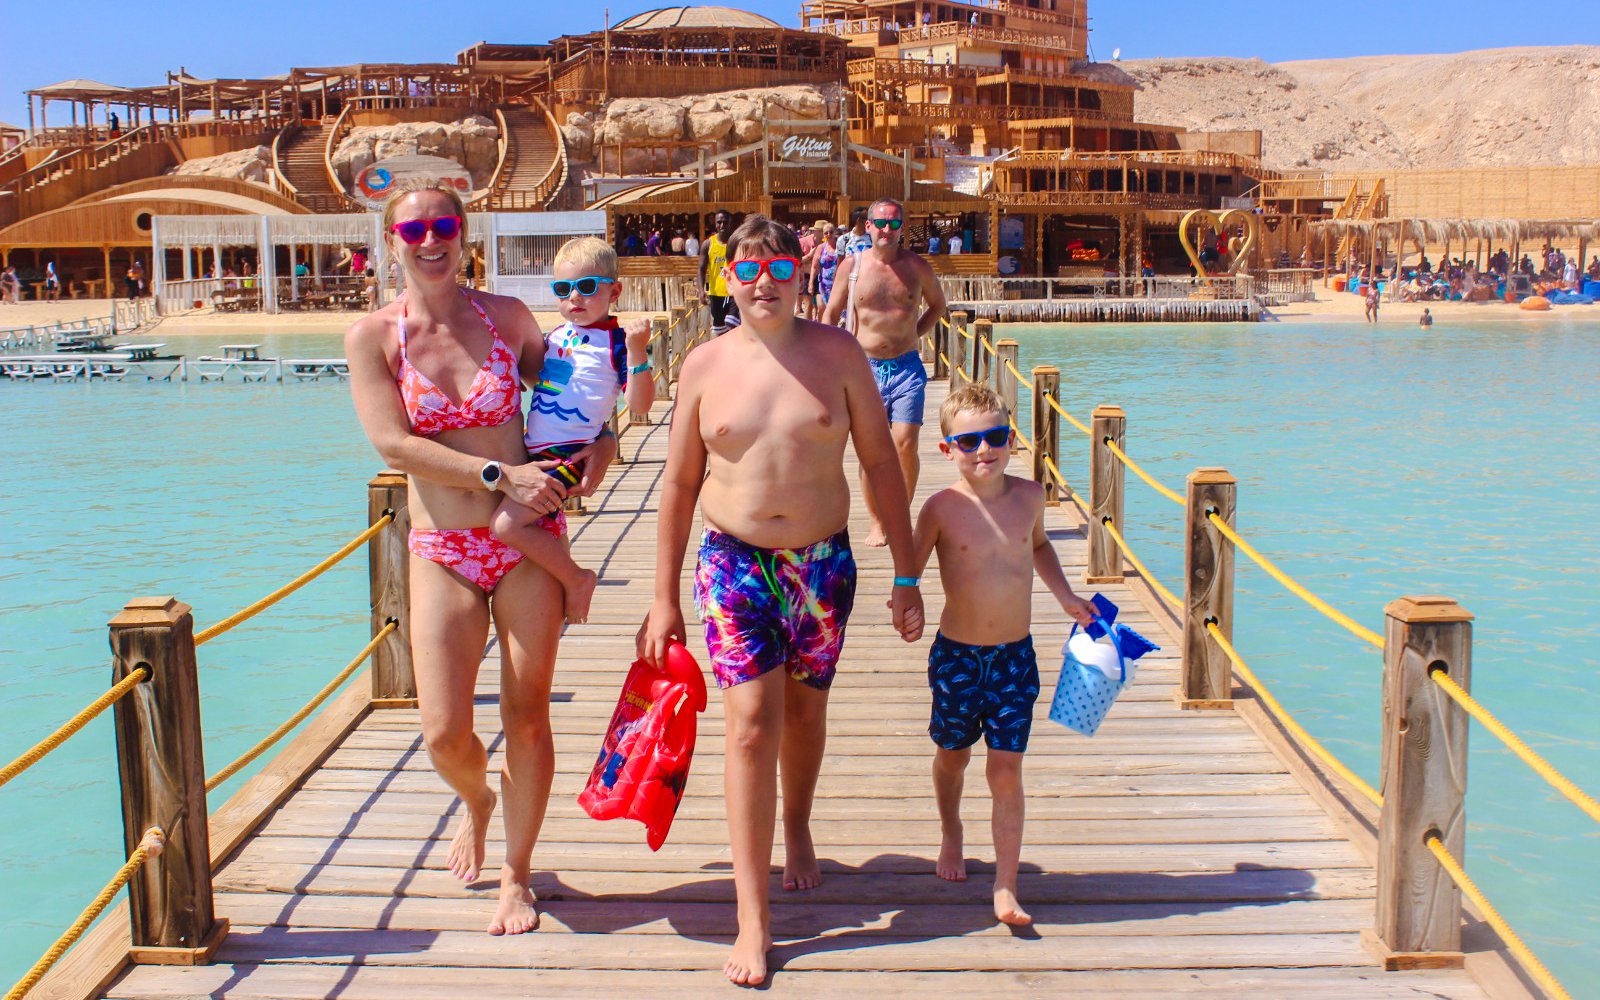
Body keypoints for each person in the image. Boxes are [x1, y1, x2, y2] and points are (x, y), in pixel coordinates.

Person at [637, 215, 924, 986]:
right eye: (748, 269)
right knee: (749, 726)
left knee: (805, 714)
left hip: (823, 567)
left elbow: (878, 464)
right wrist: (662, 597)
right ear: (728, 276)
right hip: (732, 566)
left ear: (804, 273)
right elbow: (677, 485)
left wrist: (904, 572)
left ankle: (796, 824)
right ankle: (752, 915)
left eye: (779, 268)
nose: (763, 282)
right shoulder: (701, 364)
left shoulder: (838, 357)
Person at [345, 183, 618, 937]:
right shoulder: (373, 338)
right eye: (413, 228)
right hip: (442, 548)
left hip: (525, 545)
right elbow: (394, 445)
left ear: (464, 233)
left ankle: (517, 873)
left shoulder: (508, 319)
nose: (429, 240)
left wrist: (604, 439)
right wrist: (497, 475)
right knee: (443, 733)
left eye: (443, 226)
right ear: (391, 239)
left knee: (528, 720)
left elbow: (570, 394)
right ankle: (477, 800)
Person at [910, 383, 1095, 926]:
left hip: (1015, 658)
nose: (983, 450)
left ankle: (1006, 885)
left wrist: (1065, 596)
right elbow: (911, 568)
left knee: (1006, 769)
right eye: (969, 441)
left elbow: (1037, 545)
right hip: (957, 659)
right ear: (947, 449)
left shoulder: (1031, 497)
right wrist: (905, 599)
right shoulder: (941, 509)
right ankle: (951, 832)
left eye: (995, 437)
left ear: (1012, 439)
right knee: (953, 755)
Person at [490, 237, 654, 624]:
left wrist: (638, 351)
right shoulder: (555, 338)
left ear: (614, 291)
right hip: (535, 453)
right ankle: (563, 597)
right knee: (541, 525)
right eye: (563, 289)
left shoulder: (617, 343)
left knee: (506, 525)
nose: (574, 298)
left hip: (570, 454)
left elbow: (642, 406)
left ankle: (576, 578)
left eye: (587, 287)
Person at [821, 197, 948, 548]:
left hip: (907, 367)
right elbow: (830, 314)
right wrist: (830, 360)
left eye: (894, 223)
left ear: (902, 228)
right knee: (871, 451)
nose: (886, 230)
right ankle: (877, 521)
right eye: (880, 223)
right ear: (869, 225)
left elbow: (938, 306)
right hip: (864, 370)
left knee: (905, 444)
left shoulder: (917, 267)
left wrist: (914, 335)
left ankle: (898, 515)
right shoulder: (853, 266)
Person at [699, 210, 739, 334]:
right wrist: (701, 290)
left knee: (731, 325)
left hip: (734, 293)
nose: (722, 225)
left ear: (730, 223)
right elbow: (701, 268)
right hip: (716, 294)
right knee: (720, 330)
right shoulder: (708, 244)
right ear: (715, 224)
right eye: (719, 222)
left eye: (725, 222)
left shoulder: (738, 243)